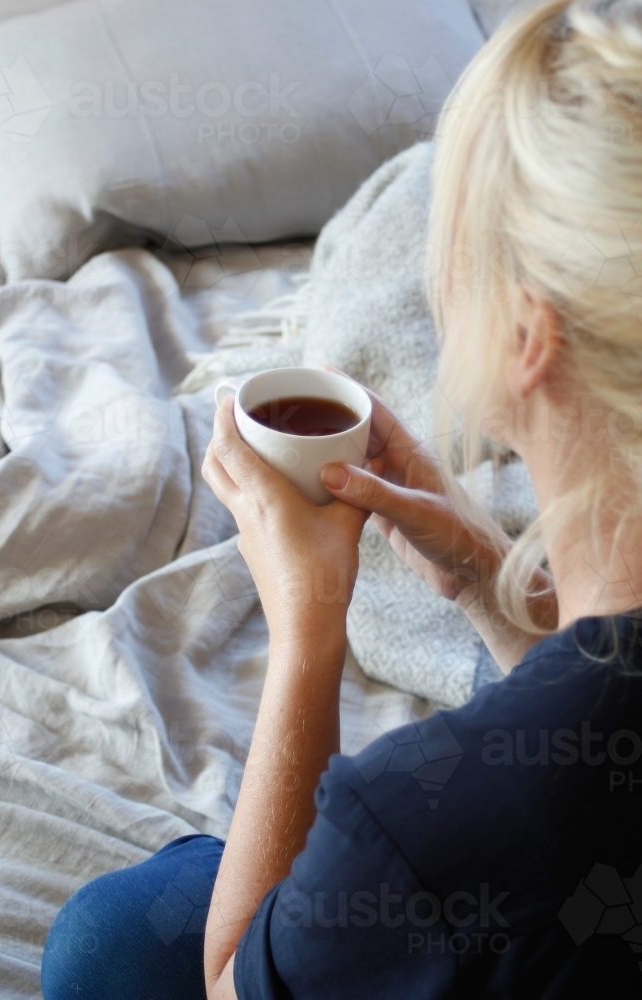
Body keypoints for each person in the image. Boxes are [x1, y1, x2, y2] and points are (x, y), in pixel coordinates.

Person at [41, 0, 642, 996]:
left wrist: (306, 626)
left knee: (112, 951)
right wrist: (490, 584)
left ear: (528, 336)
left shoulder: (417, 823)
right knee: (126, 926)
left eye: (445, 244)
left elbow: (235, 984)